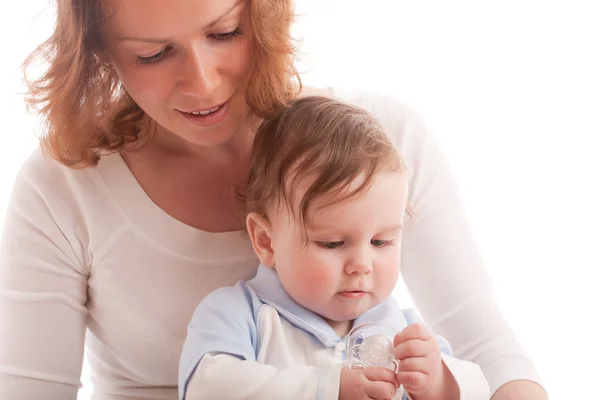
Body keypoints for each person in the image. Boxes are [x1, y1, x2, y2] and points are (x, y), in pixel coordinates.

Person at [0, 0, 546, 399]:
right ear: (98, 56)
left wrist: (444, 382)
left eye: (225, 32)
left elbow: (488, 353)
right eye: (155, 54)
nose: (204, 81)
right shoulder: (65, 187)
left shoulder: (379, 146)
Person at [178, 95, 491, 400]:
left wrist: (438, 383)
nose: (361, 264)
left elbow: (480, 387)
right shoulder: (240, 314)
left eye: (380, 242)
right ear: (265, 240)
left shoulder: (402, 329)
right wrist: (327, 389)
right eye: (332, 243)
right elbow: (207, 388)